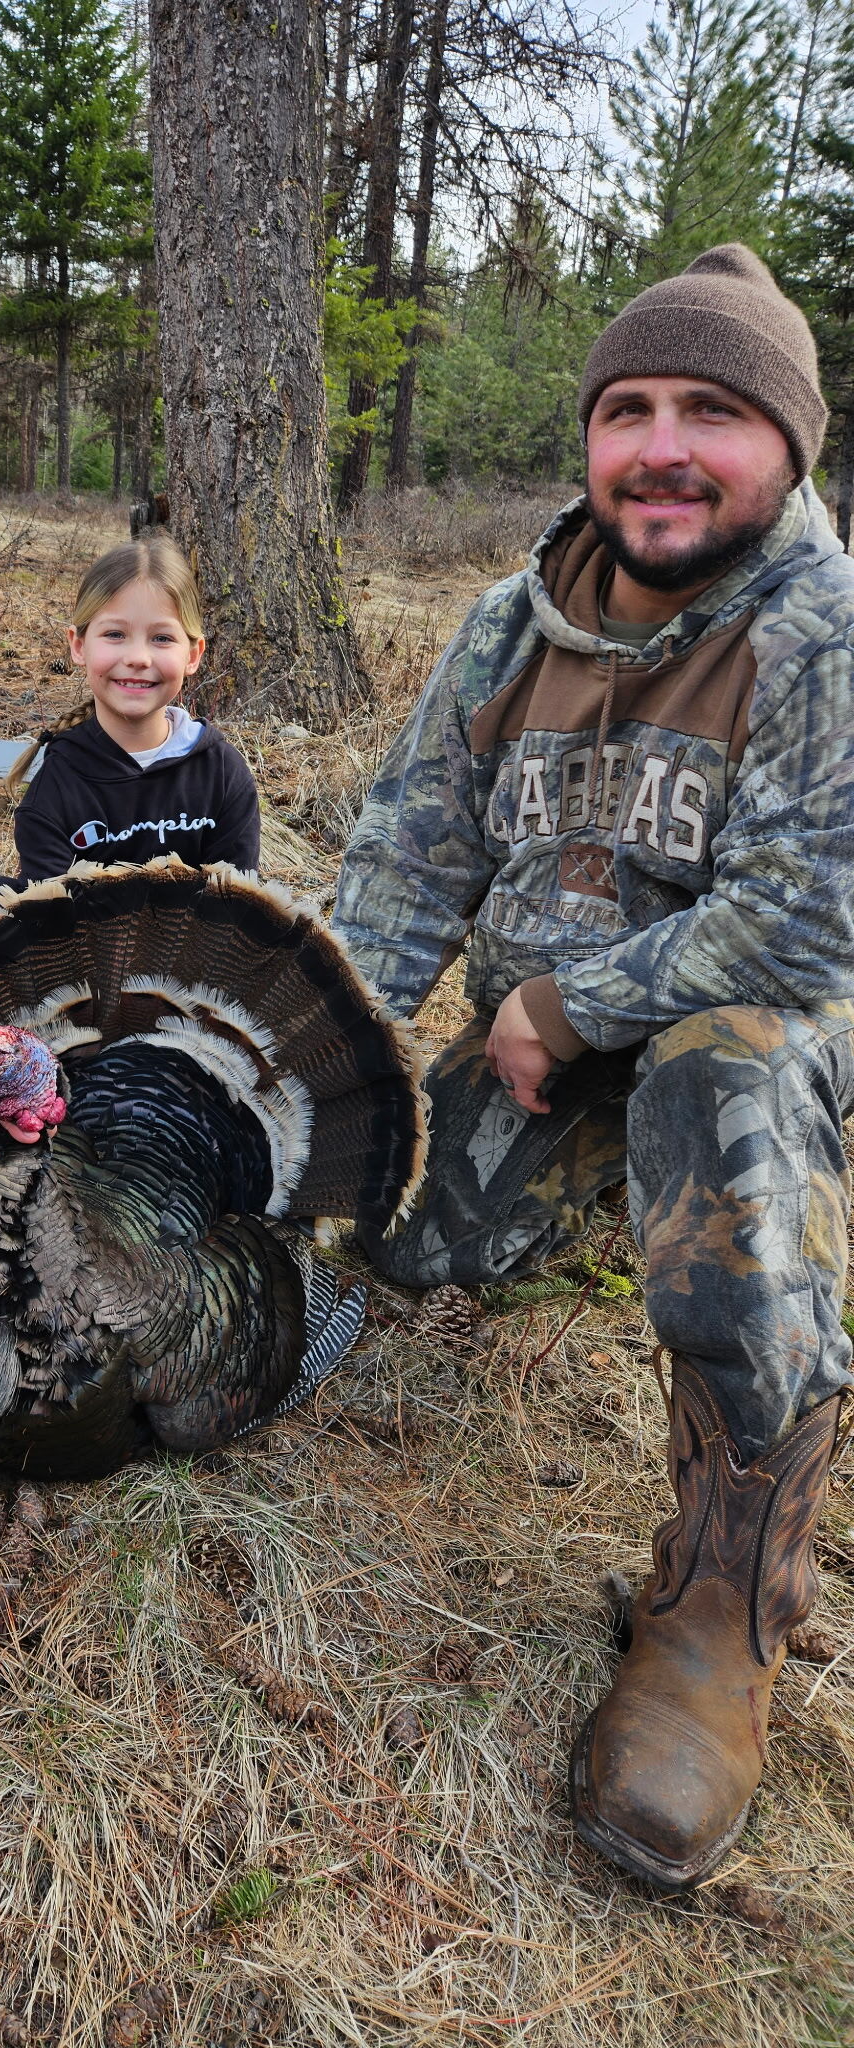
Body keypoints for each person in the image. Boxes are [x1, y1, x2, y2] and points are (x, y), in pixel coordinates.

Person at [331, 246, 854, 1891]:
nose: (663, 446)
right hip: (557, 1058)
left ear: (790, 447)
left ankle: (720, 1612)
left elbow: (801, 928)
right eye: (627, 408)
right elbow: (405, 871)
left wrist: (561, 1006)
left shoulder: (820, 633)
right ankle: (646, 1217)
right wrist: (311, 1058)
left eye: (716, 410)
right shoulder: (513, 625)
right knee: (412, 1237)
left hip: (767, 1050)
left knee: (722, 1071)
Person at [0, 534, 260, 945]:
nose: (138, 657)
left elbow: (238, 907)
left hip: (192, 971)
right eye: (114, 634)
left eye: (162, 638)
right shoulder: (60, 782)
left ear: (193, 654)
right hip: (85, 973)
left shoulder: (222, 772)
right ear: (78, 646)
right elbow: (53, 923)